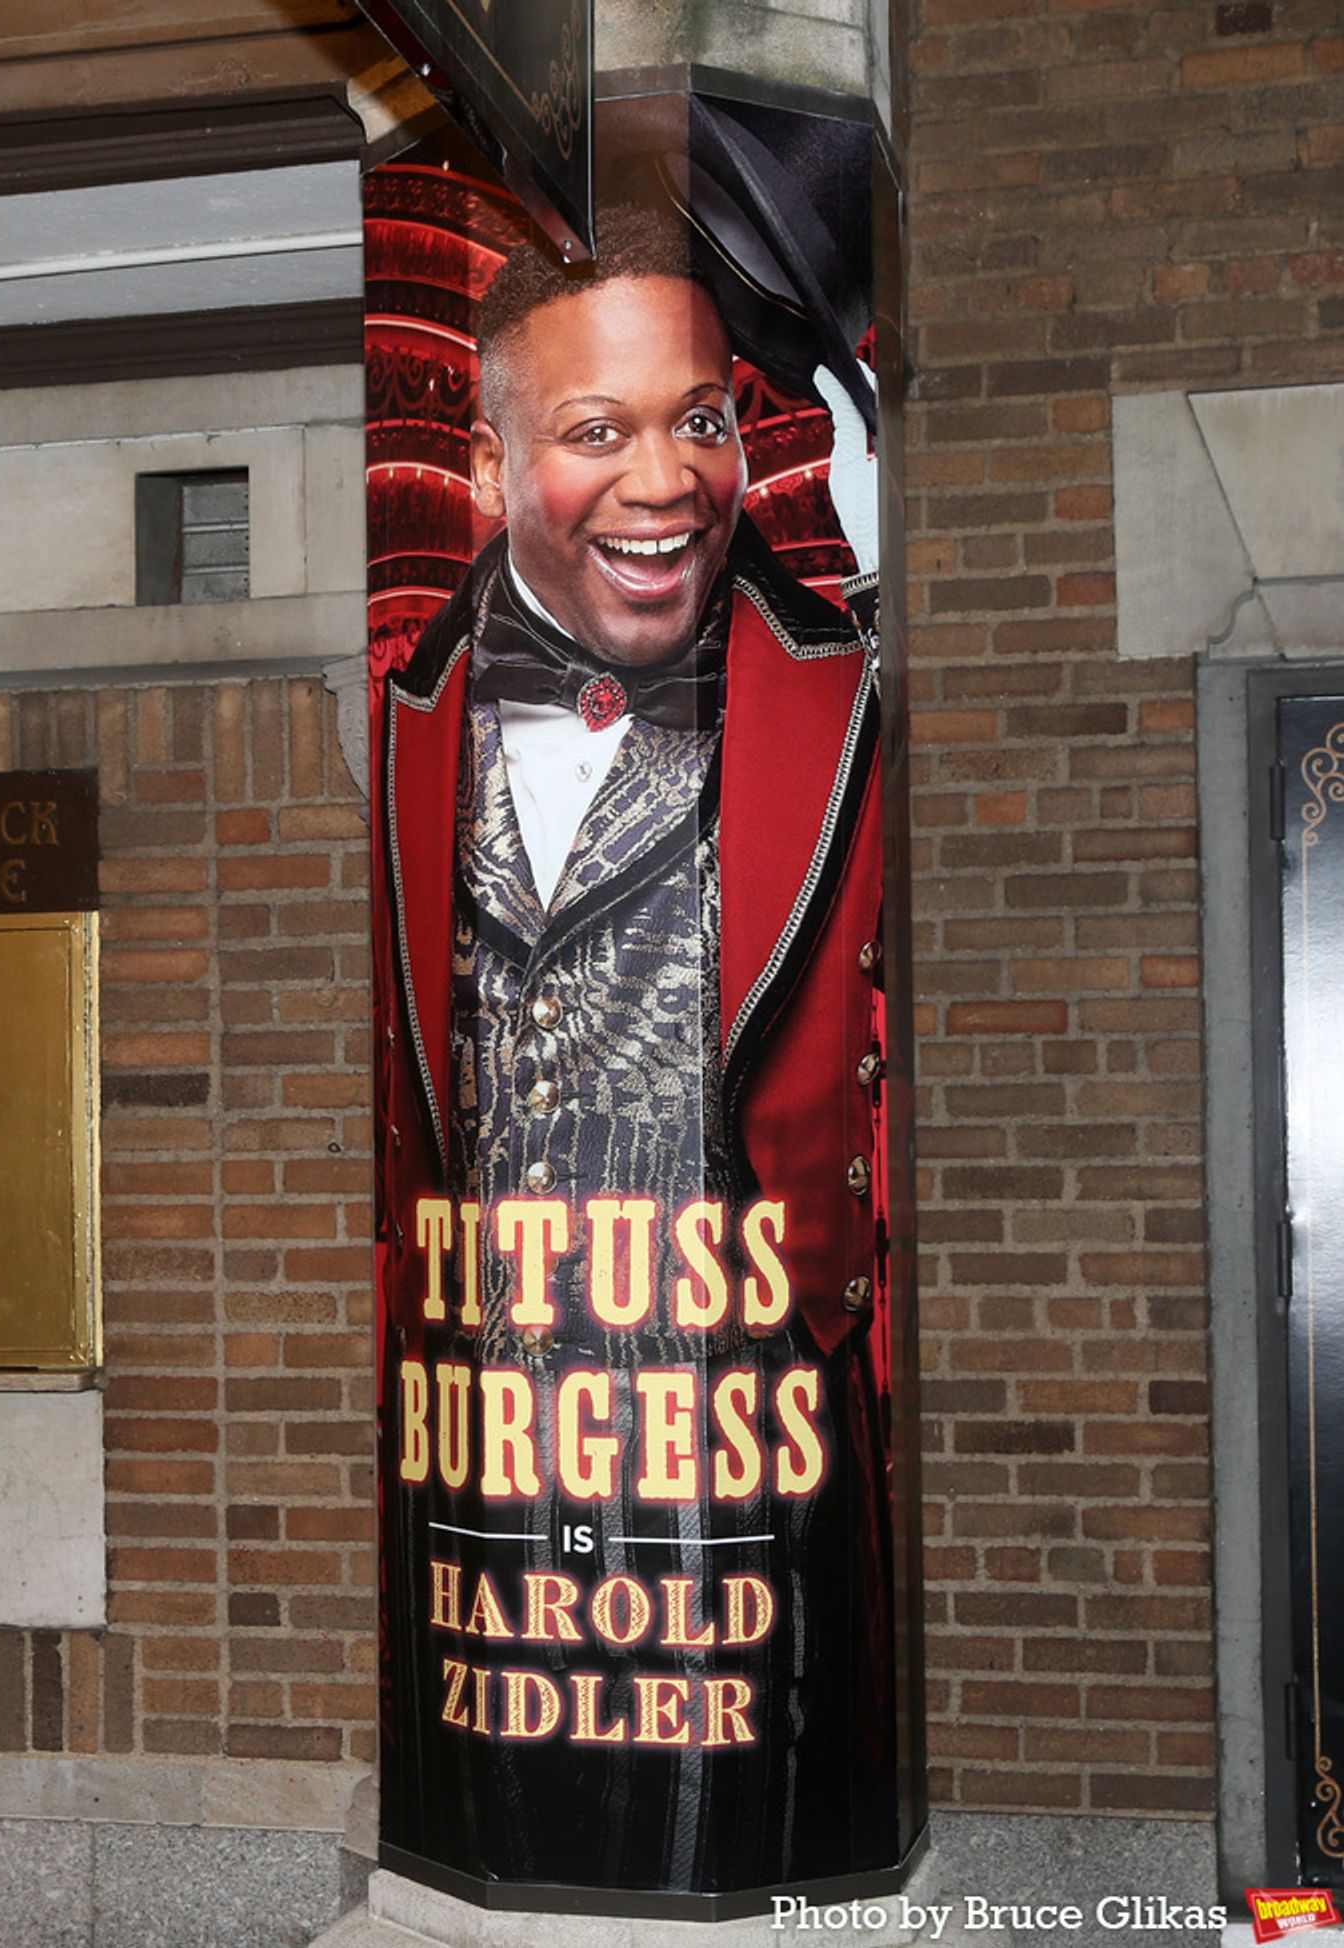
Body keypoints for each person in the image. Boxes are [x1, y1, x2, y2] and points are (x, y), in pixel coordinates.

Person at [377, 207, 894, 1899]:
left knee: (738, 1842)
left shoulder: (862, 704)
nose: (665, 478)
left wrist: (851, 1314)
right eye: (597, 431)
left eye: (699, 417)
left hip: (740, 1443)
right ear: (490, 451)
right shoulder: (385, 723)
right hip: (479, 1444)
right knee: (487, 1841)